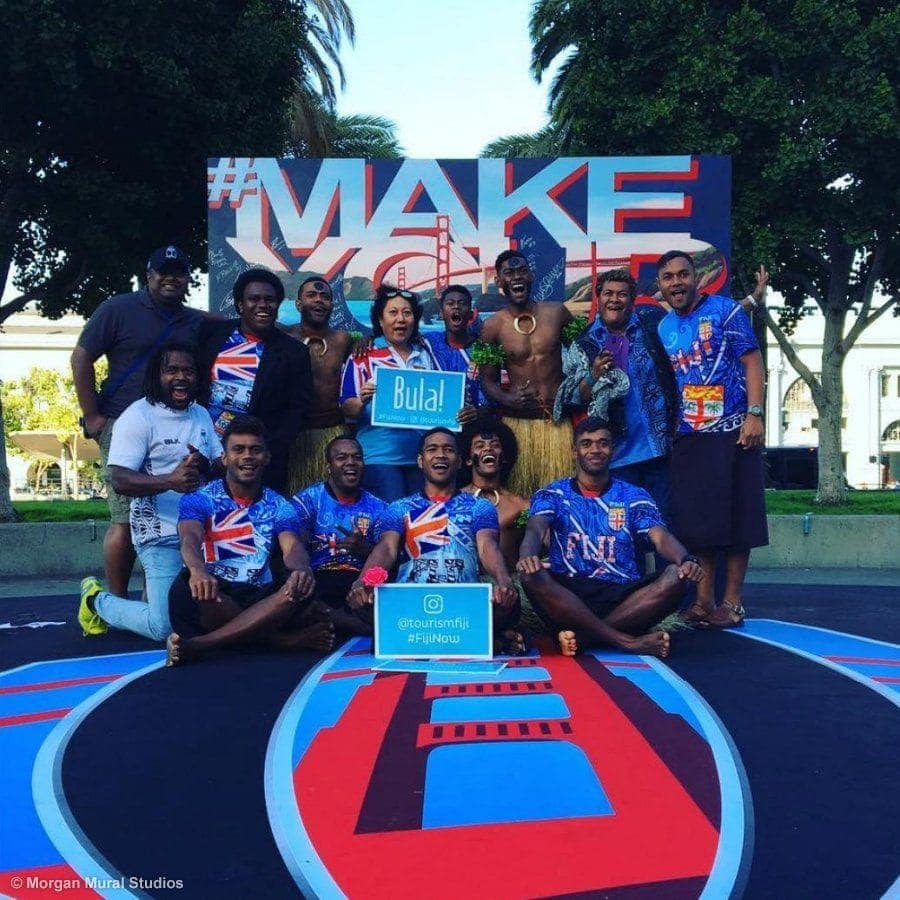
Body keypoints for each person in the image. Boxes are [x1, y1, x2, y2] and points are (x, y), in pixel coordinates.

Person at [72, 245, 205, 597]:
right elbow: (82, 358)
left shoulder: (193, 319)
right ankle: (114, 600)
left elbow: (237, 322)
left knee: (166, 511)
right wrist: (94, 417)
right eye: (163, 271)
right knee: (124, 517)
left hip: (173, 426)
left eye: (178, 273)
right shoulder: (117, 309)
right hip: (124, 424)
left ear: (187, 279)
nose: (170, 278)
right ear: (149, 275)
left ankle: (152, 596)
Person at [517, 417, 703, 658]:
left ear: (612, 450)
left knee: (677, 576)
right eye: (586, 444)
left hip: (623, 595)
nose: (595, 449)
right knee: (530, 576)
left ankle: (585, 638)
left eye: (603, 443)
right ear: (574, 451)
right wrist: (527, 556)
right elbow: (535, 528)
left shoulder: (633, 495)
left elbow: (660, 537)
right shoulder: (552, 493)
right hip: (568, 595)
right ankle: (625, 641)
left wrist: (685, 558)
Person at [78, 343, 222, 640]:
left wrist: (208, 464)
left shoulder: (201, 415)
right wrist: (170, 480)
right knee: (164, 627)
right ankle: (95, 600)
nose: (181, 377)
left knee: (216, 613)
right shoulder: (138, 416)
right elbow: (118, 478)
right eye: (172, 370)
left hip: (202, 535)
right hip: (159, 533)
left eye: (188, 371)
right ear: (157, 376)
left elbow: (217, 463)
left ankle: (156, 599)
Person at [655, 250, 768, 628]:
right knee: (698, 522)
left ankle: (732, 603)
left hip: (733, 430)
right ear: (661, 285)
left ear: (696, 277)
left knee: (739, 518)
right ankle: (703, 601)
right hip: (691, 434)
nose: (676, 283)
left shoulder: (725, 311)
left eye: (682, 274)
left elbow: (752, 360)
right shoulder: (665, 328)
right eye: (668, 277)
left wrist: (754, 415)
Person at [166, 416, 334, 666]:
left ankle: (201, 644)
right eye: (238, 449)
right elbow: (189, 538)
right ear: (224, 458)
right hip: (215, 591)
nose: (247, 456)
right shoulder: (200, 498)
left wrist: (301, 569)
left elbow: (292, 547)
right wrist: (198, 571)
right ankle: (283, 641)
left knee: (300, 587)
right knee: (187, 589)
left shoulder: (279, 504)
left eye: (255, 450)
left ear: (266, 457)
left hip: (259, 595)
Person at [348, 427, 524, 655]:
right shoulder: (399, 508)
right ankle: (487, 641)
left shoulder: (480, 507)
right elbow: (387, 549)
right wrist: (363, 581)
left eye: (448, 450)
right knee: (362, 602)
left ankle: (414, 640)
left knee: (511, 604)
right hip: (412, 602)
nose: (440, 455)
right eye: (432, 449)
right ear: (421, 461)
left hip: (462, 601)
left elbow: (486, 546)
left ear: (460, 461)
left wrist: (503, 581)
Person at [556, 268, 678, 521]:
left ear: (632, 301)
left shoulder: (652, 325)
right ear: (598, 299)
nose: (614, 299)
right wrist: (593, 374)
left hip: (661, 449)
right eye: (607, 293)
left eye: (622, 294)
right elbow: (573, 398)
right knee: (625, 536)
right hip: (619, 457)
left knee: (666, 530)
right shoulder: (583, 343)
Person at [196, 268, 312, 495]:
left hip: (257, 462)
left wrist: (261, 452)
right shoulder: (211, 334)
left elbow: (298, 410)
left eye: (270, 300)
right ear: (240, 305)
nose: (263, 305)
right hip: (205, 451)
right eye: (254, 299)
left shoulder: (294, 352)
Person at [478, 250, 573, 497]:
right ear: (499, 281)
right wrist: (507, 398)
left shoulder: (558, 313)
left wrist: (578, 391)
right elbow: (486, 380)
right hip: (518, 426)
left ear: (531, 276)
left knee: (560, 500)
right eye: (509, 273)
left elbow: (584, 355)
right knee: (521, 502)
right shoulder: (491, 327)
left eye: (521, 271)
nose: (516, 277)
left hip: (557, 425)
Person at [339, 285, 440, 502]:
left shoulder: (426, 354)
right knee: (393, 520)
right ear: (380, 319)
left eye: (407, 313)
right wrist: (361, 400)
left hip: (421, 458)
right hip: (379, 457)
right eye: (393, 313)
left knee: (419, 519)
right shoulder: (362, 356)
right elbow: (346, 407)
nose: (401, 319)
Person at [291, 435, 386, 636]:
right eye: (341, 457)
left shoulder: (379, 507)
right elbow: (293, 544)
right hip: (318, 578)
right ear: (328, 467)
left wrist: (363, 549)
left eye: (356, 457)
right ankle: (337, 619)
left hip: (357, 581)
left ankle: (329, 619)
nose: (350, 462)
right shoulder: (307, 500)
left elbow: (387, 555)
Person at [283, 276, 353, 492]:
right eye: (311, 295)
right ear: (298, 303)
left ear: (332, 304)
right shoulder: (282, 337)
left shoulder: (345, 340)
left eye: (325, 296)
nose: (319, 300)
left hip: (333, 432)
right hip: (294, 437)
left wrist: (365, 341)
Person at [459, 414, 529, 570]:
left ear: (503, 457)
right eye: (479, 446)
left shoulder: (522, 507)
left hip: (507, 585)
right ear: (468, 459)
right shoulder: (452, 501)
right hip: (463, 584)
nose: (488, 448)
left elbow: (540, 538)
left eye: (495, 445)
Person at [423, 284, 485, 415]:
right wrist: (371, 338)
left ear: (470, 313)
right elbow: (399, 338)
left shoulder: (486, 348)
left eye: (462, 303)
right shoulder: (429, 341)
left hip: (476, 421)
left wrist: (480, 411)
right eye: (450, 303)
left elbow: (496, 388)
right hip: (440, 420)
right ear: (441, 313)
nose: (456, 307)